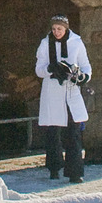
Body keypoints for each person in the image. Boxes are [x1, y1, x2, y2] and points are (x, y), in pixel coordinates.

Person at [34, 14, 92, 182]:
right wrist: (50, 69)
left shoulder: (77, 43)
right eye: (54, 29)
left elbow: (86, 65)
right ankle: (54, 167)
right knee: (53, 132)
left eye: (59, 29)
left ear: (66, 28)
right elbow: (39, 69)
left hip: (70, 92)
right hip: (52, 92)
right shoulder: (45, 44)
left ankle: (75, 173)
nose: (56, 32)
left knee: (73, 133)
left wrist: (83, 77)